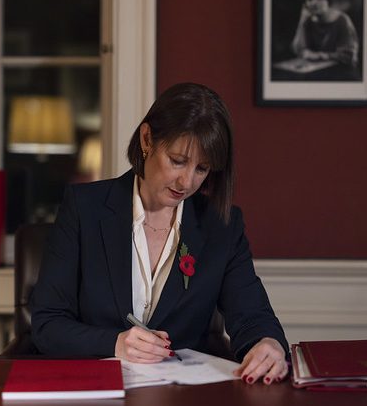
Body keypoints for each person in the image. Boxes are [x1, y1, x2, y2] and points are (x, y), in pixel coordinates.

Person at [30, 82, 289, 385]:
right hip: (97, 391)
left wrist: (268, 344)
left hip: (182, 396)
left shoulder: (222, 226)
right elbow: (47, 324)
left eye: (202, 169)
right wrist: (114, 343)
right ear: (147, 138)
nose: (187, 181)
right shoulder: (84, 208)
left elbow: (253, 316)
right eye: (177, 161)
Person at [291, 0, 359, 67]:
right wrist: (302, 21)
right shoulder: (308, 21)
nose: (314, 2)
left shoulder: (342, 20)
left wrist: (321, 56)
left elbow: (349, 56)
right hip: (317, 72)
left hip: (342, 72)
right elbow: (297, 50)